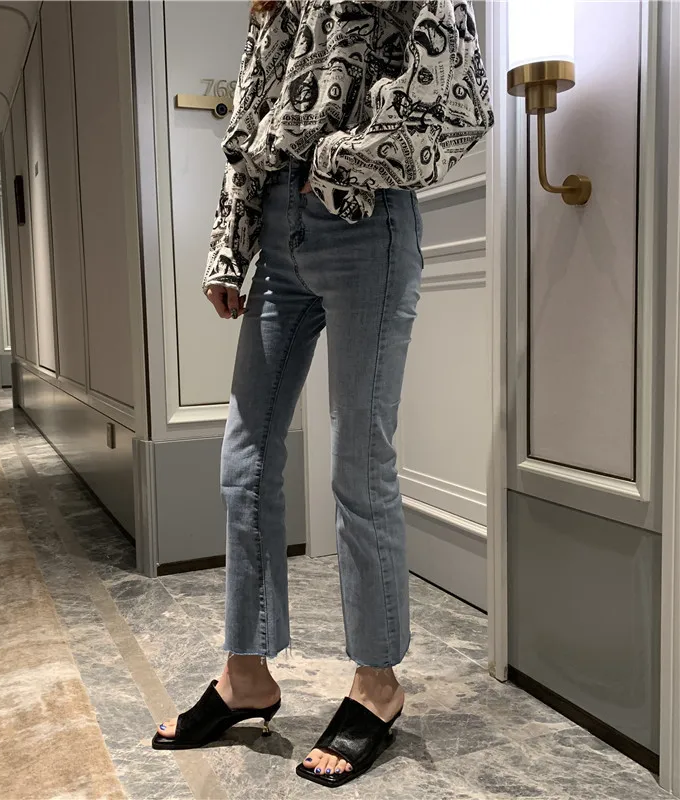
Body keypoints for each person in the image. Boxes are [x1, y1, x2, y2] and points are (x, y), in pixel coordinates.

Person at [153, 0, 492, 787]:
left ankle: (377, 683)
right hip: (281, 230)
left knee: (357, 462)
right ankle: (245, 675)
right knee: (243, 458)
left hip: (364, 221)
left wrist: (341, 157)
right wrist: (231, 240)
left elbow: (459, 92)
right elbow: (253, 115)